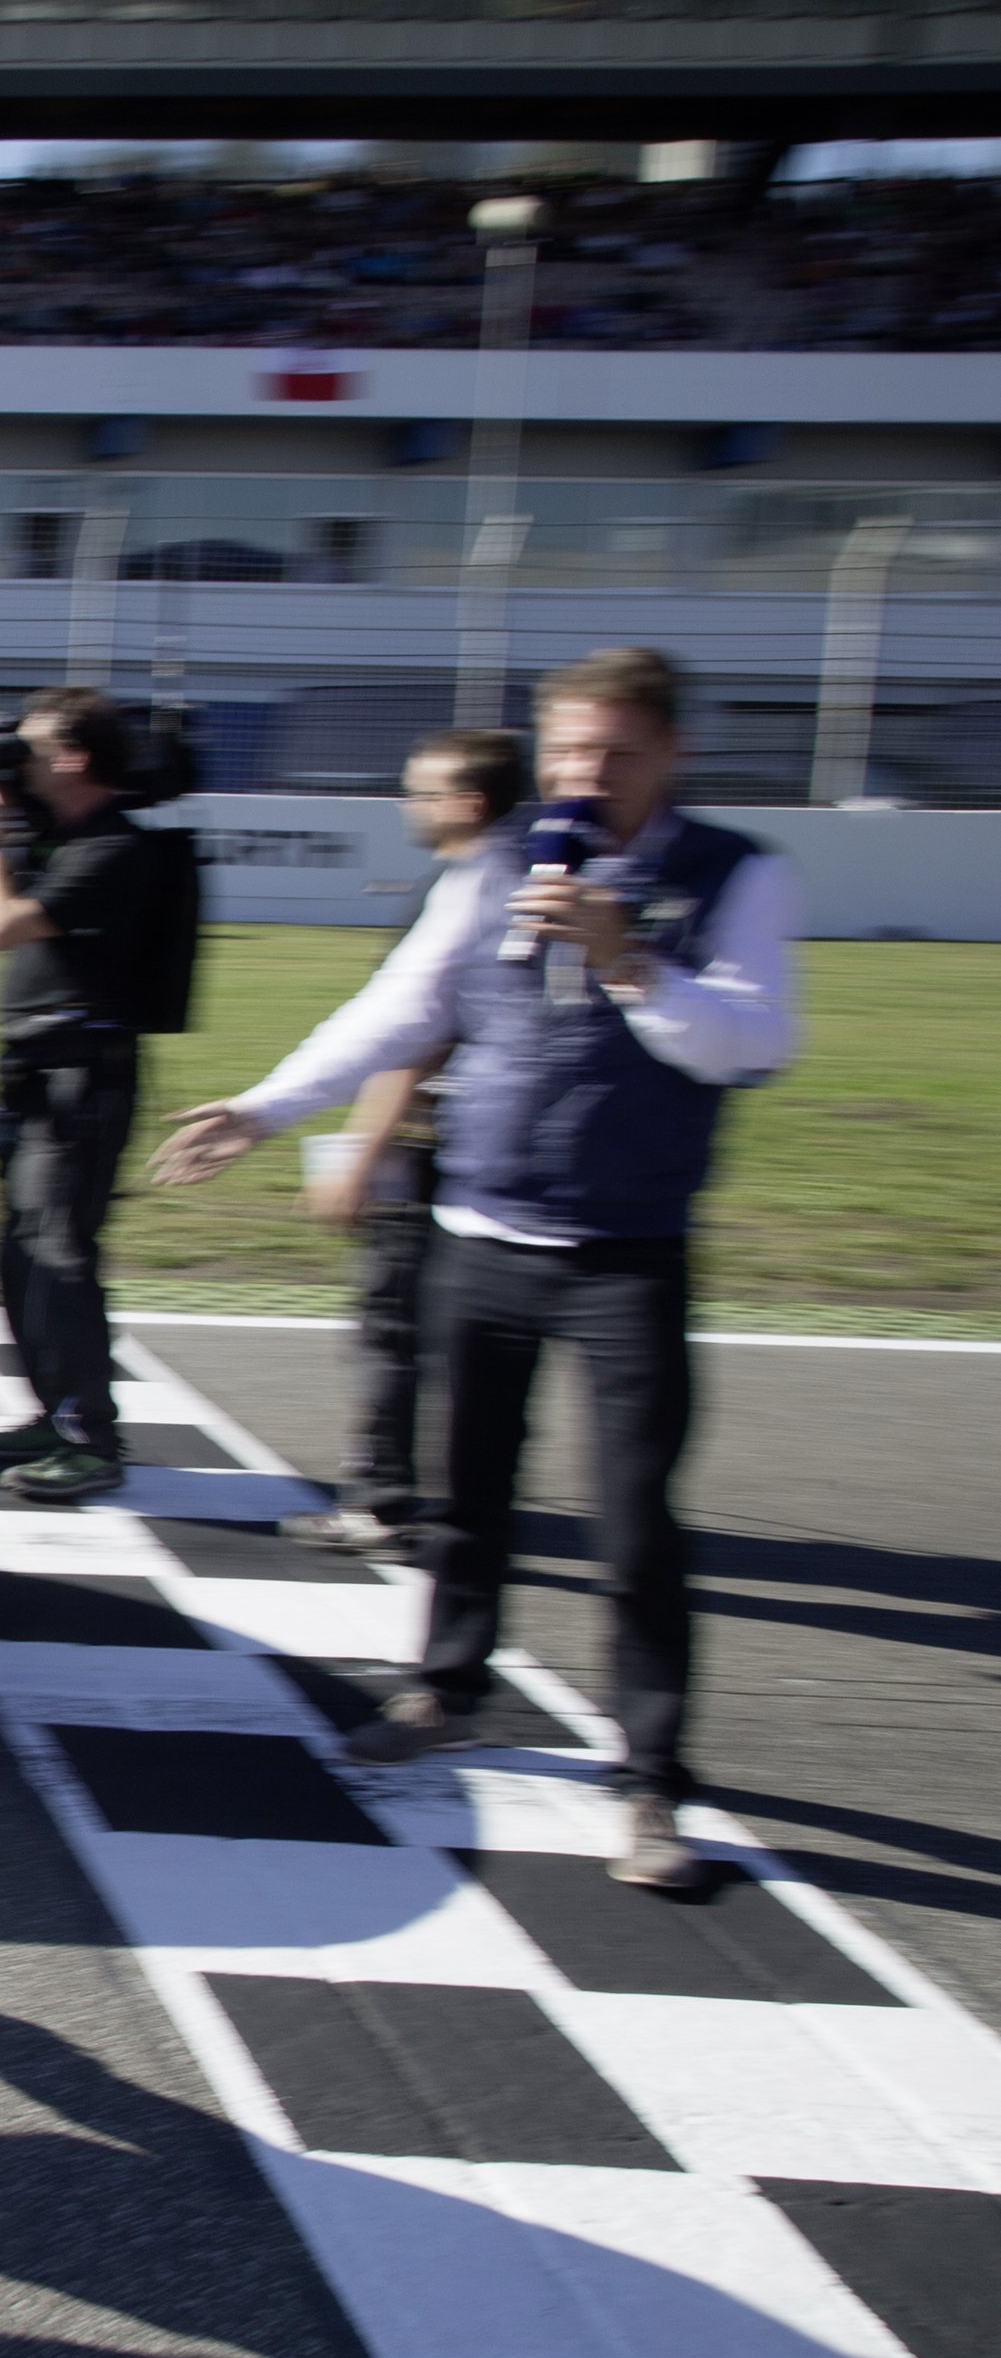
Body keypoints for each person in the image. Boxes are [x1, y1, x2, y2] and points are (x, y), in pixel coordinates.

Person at [150, 651, 799, 1893]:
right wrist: (269, 1110)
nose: (582, 779)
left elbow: (755, 1044)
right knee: (462, 1492)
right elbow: (399, 1007)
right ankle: (448, 1689)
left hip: (626, 1253)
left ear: (673, 755)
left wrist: (630, 961)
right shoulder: (501, 865)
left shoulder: (735, 874)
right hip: (484, 1233)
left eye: (613, 754)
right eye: (565, 755)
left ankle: (651, 1780)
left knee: (636, 1521)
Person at [273, 727, 530, 1556]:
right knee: (465, 1335)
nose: (407, 807)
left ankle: (380, 1501)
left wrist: (360, 1148)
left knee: (392, 1326)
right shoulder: (527, 877)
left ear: (469, 803)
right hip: (494, 1145)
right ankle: (456, 1494)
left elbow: (418, 1037)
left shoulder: (464, 889)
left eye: (420, 793)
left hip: (427, 1142)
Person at [0, 685, 193, 1505]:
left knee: (60, 1252)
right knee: (16, 1254)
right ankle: (51, 1411)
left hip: (80, 1074)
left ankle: (92, 1436)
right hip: (31, 1067)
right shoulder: (62, 840)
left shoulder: (115, 848)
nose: (17, 755)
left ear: (74, 757)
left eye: (33, 744)